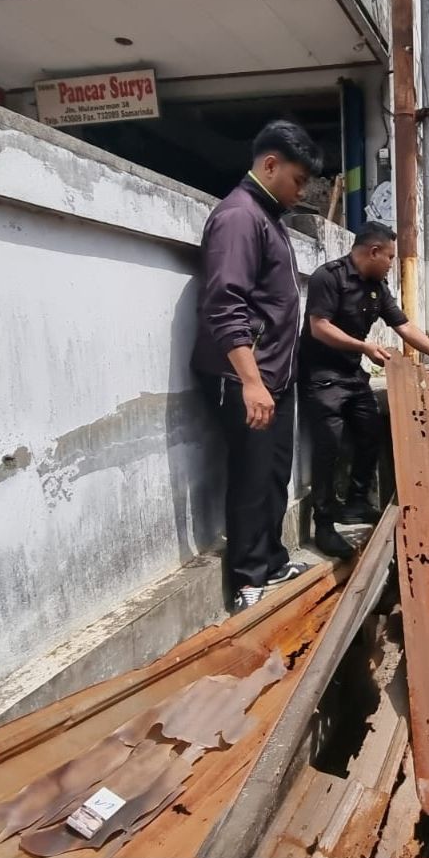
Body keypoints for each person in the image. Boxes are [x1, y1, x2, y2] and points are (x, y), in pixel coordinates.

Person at [192, 120, 320, 612]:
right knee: (249, 476)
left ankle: (271, 560)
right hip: (245, 377)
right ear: (270, 165)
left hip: (275, 376)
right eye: (298, 178)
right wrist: (250, 381)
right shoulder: (239, 217)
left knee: (273, 476)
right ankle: (248, 580)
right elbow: (224, 304)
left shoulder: (269, 219)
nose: (302, 189)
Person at [300, 221, 429, 558]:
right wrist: (363, 348)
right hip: (322, 376)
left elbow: (403, 325)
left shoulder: (377, 286)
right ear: (374, 251)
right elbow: (319, 328)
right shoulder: (328, 277)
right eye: (391, 256)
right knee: (328, 447)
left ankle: (356, 503)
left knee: (370, 433)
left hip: (351, 374)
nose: (393, 262)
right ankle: (323, 524)